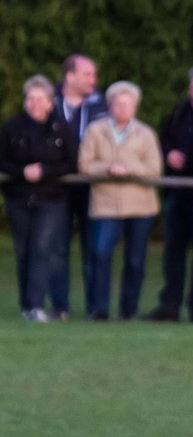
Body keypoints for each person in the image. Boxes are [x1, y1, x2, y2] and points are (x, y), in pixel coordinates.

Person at [78, 81, 163, 320]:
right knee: (100, 254)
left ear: (135, 107)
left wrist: (129, 169)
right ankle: (99, 308)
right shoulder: (95, 131)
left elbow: (154, 171)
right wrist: (107, 168)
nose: (123, 109)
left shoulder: (146, 134)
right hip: (105, 204)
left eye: (128, 104)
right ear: (110, 105)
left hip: (140, 206)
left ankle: (129, 309)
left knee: (135, 260)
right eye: (119, 104)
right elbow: (85, 165)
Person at [146, 62, 193, 322]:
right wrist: (170, 153)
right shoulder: (181, 111)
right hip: (178, 195)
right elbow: (165, 138)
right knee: (173, 253)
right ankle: (169, 305)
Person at [0, 75, 78, 322]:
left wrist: (45, 171)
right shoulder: (11, 127)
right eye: (30, 98)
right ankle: (26, 304)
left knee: (42, 249)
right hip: (18, 197)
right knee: (23, 251)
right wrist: (21, 172)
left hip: (51, 198)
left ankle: (36, 305)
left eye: (40, 99)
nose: (34, 104)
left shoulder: (61, 128)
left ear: (50, 102)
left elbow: (71, 163)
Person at [51, 54, 108, 319]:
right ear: (69, 76)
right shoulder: (49, 102)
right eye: (87, 74)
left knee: (93, 248)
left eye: (94, 75)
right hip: (58, 187)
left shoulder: (102, 105)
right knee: (58, 248)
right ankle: (60, 306)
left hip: (91, 187)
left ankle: (95, 308)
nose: (93, 80)